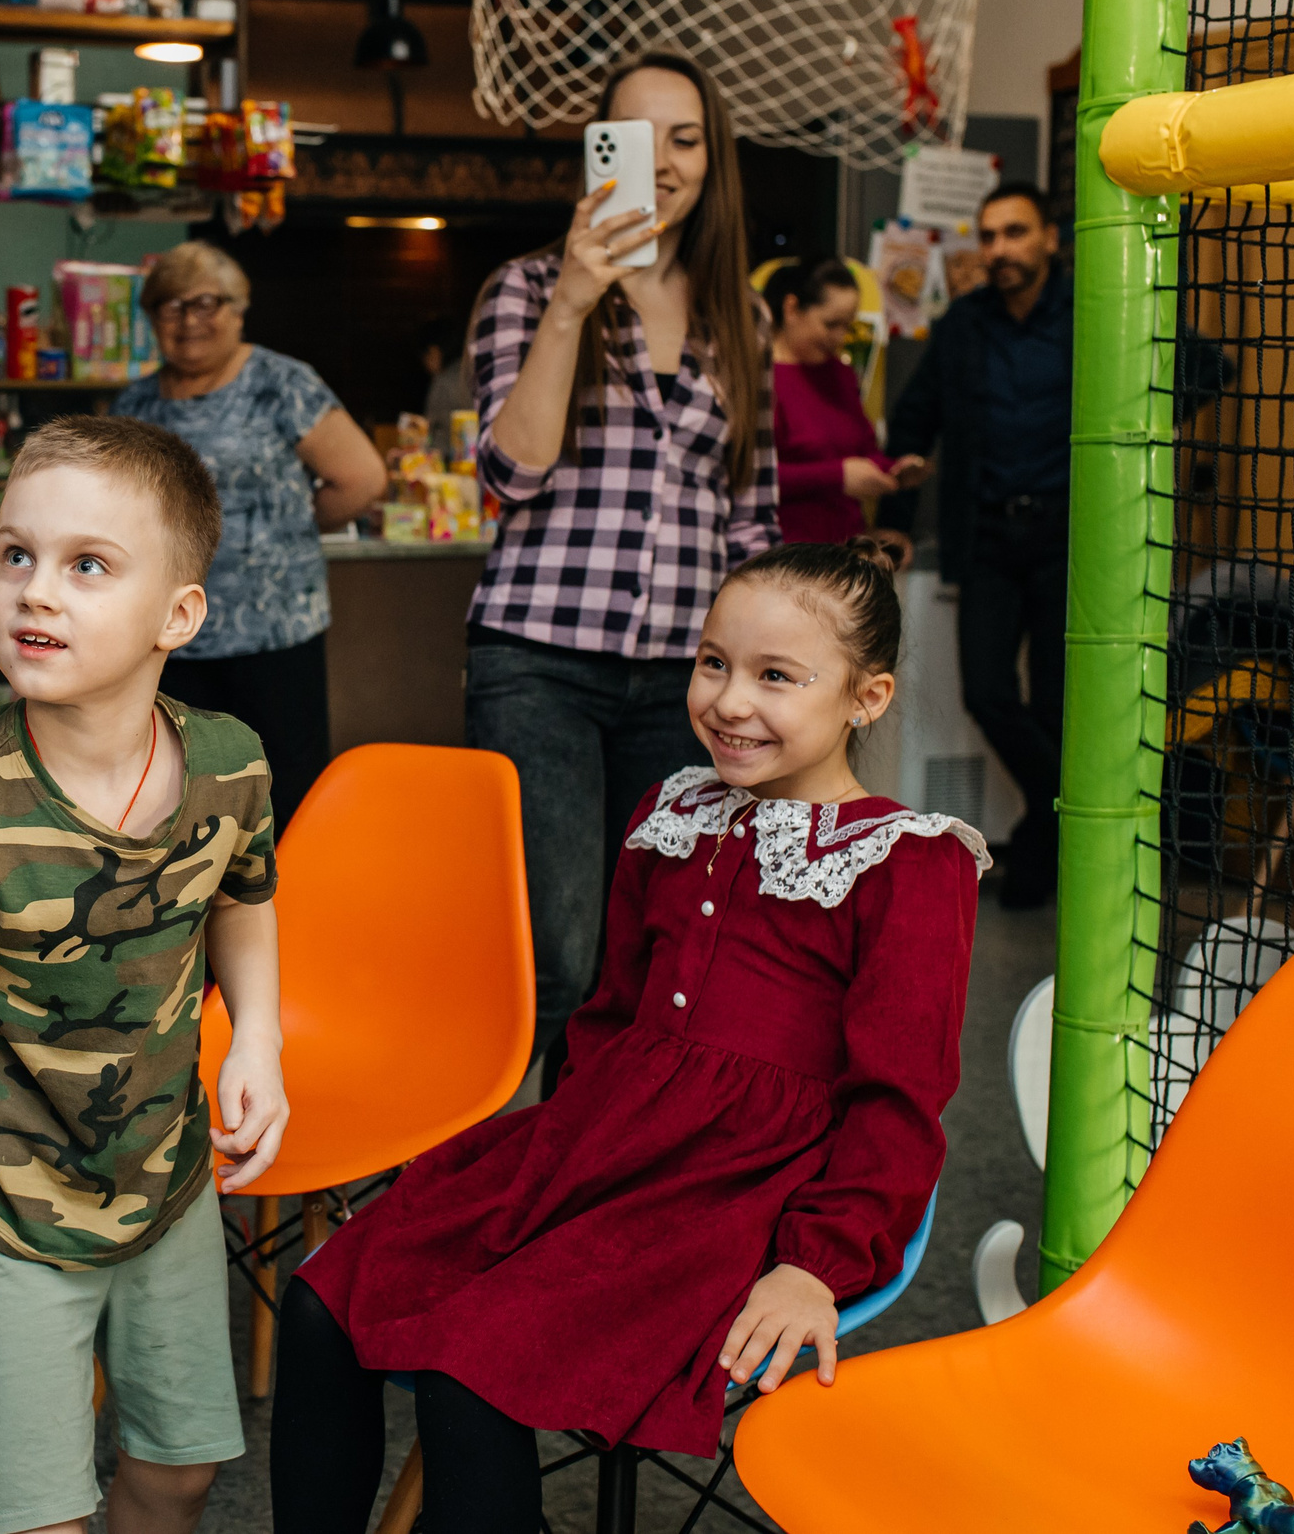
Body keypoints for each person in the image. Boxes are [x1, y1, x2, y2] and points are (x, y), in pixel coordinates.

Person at [272, 540, 982, 1533]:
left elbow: (899, 1098)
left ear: (865, 698)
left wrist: (813, 1262)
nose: (731, 701)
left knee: (471, 1368)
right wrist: (548, 1167)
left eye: (777, 677)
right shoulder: (670, 811)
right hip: (593, 1145)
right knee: (320, 1306)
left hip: (735, 1185)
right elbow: (608, 1018)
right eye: (713, 662)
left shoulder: (906, 862)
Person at [0, 416, 290, 1534]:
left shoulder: (230, 761)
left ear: (177, 616)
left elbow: (244, 900)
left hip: (166, 1183)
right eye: (14, 555)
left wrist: (261, 1039)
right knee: (42, 1516)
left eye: (87, 566)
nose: (34, 591)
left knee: (179, 1472)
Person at [461, 52, 779, 1076]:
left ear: (711, 158)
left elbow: (751, 521)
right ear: (598, 154)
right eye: (632, 138)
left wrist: (771, 681)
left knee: (649, 955)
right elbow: (511, 472)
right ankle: (512, 1183)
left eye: (683, 138)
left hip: (680, 681)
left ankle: (594, 1182)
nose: (662, 161)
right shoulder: (524, 290)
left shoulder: (744, 318)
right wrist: (574, 300)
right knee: (554, 957)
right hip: (538, 661)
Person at [114, 241, 386, 824]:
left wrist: (280, 528)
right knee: (176, 792)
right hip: (170, 636)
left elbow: (359, 479)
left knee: (282, 791)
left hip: (276, 632)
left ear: (238, 309)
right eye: (170, 306)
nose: (189, 321)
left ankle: (287, 910)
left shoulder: (282, 383)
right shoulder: (135, 403)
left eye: (206, 303)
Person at [880, 180, 1072, 909]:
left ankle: (1043, 845)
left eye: (1015, 233)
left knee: (1056, 709)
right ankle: (1065, 821)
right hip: (987, 536)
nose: (999, 250)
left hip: (1069, 540)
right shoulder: (963, 325)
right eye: (988, 236)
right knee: (988, 693)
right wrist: (896, 517)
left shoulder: (1097, 309)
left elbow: (1205, 366)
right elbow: (912, 420)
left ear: (1049, 238)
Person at [763, 255, 924, 552]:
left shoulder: (839, 373)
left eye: (847, 326)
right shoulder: (760, 378)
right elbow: (755, 476)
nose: (839, 338)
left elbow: (862, 450)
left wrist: (894, 469)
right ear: (791, 309)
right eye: (830, 324)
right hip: (786, 554)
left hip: (846, 550)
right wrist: (838, 476)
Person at [419, 314, 472, 433]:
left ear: (434, 352)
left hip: (447, 450)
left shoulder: (443, 383)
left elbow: (429, 430)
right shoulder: (475, 374)